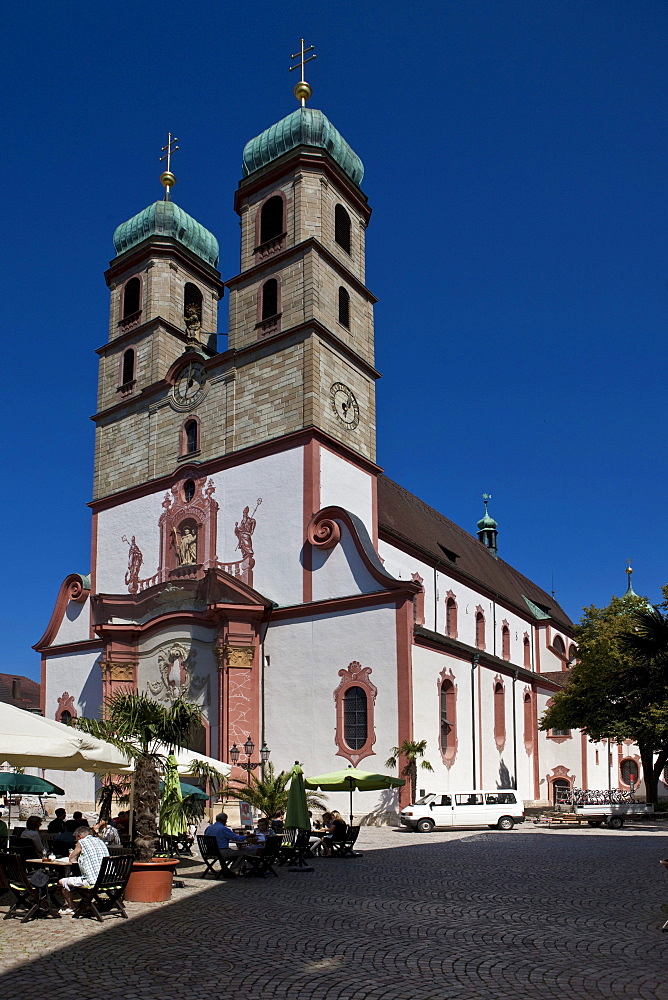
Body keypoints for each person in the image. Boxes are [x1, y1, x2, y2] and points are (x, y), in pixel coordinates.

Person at [58, 827, 109, 915]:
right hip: (108, 879)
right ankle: (86, 902)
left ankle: (71, 907)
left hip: (94, 881)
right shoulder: (100, 841)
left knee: (62, 881)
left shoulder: (81, 842)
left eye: (76, 839)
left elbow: (72, 859)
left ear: (79, 836)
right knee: (77, 878)